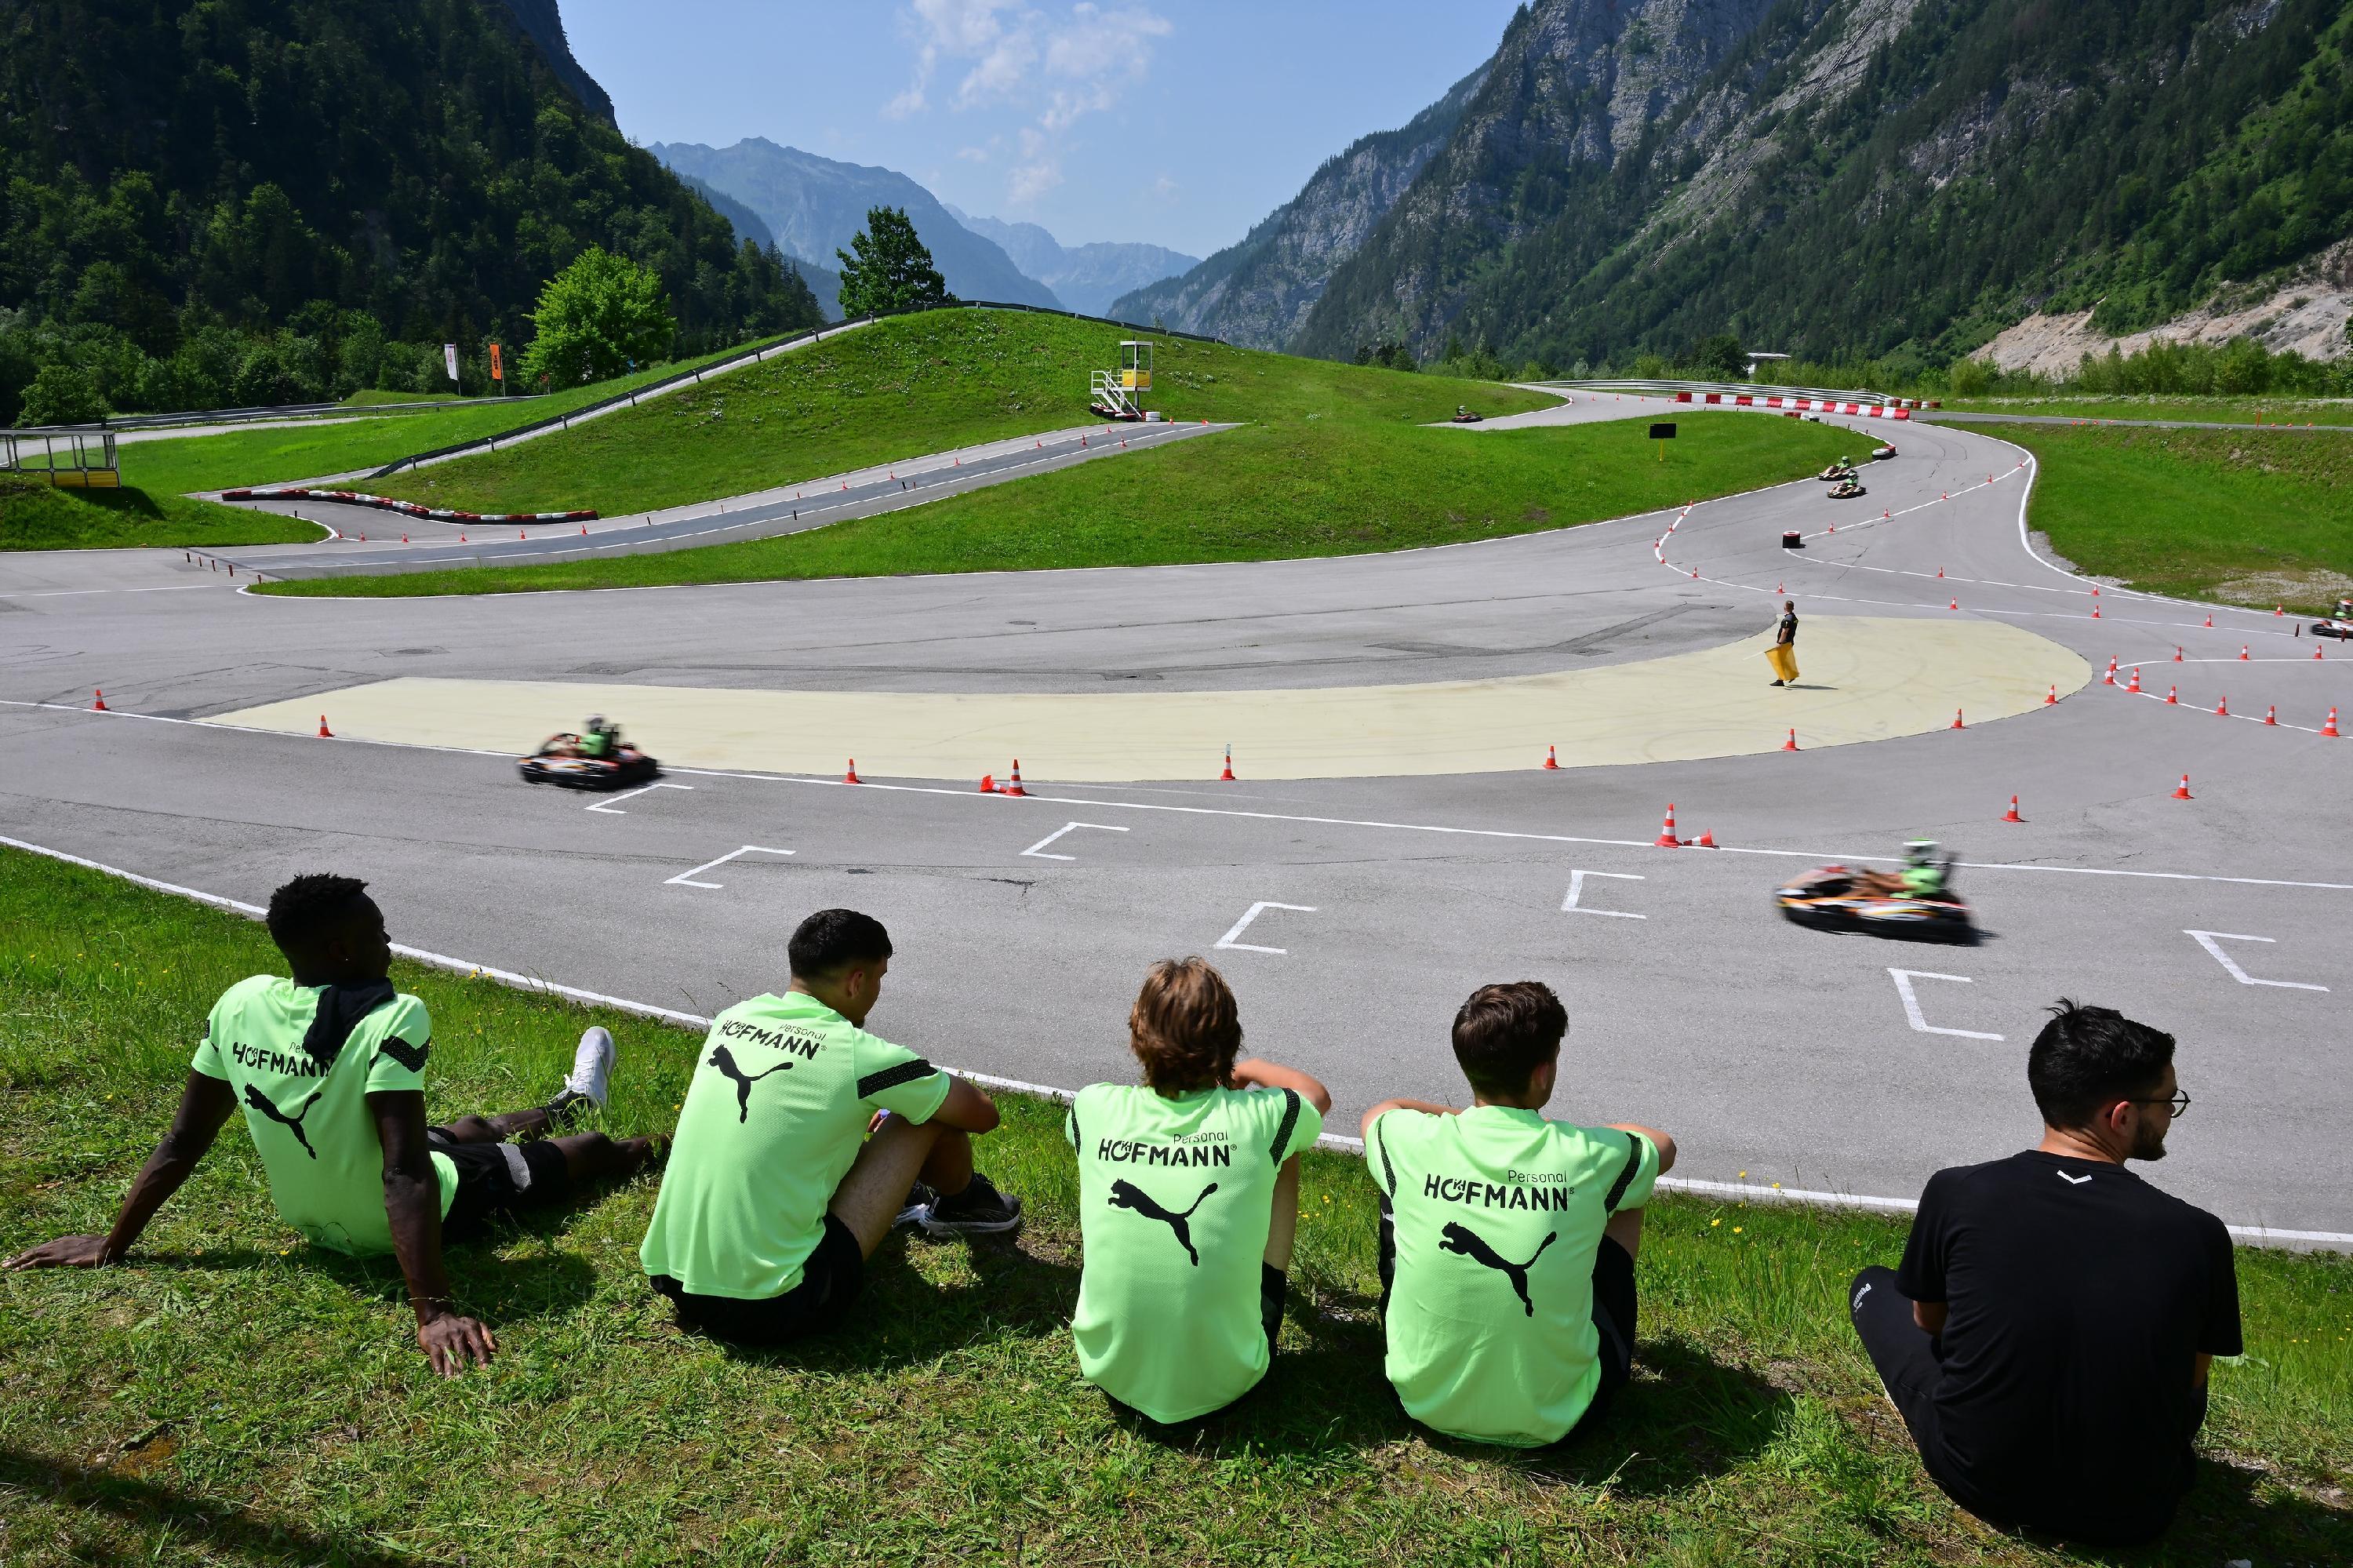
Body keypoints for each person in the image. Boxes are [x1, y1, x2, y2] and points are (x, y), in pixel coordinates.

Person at [3, 873, 657, 1377]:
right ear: (343, 949)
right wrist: (432, 1310)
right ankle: (634, 1134)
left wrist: (115, 1243)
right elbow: (402, 1173)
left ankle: (573, 1095)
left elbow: (183, 1140)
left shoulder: (240, 1003)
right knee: (590, 1151)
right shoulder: (392, 1017)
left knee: (467, 1124)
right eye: (380, 931)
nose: (390, 941)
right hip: (392, 1218)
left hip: (314, 1216)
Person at [1848, 1000, 2239, 1546]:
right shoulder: (2199, 1233)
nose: (2170, 1112)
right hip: (2137, 1507)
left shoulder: (1958, 1190)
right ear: (2122, 1116)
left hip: (1982, 1480)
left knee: (1872, 1282)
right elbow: (2191, 1382)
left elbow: (1929, 1322)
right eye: (2167, 1100)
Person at [640, 908, 1022, 1346]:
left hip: (675, 1280)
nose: (878, 991)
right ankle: (967, 1206)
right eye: (880, 978)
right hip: (773, 1306)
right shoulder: (860, 1054)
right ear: (857, 982)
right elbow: (982, 1114)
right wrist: (908, 1102)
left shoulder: (734, 1018)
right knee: (926, 1113)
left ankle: (932, 1199)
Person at [1362, 981, 1675, 1447]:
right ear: (1543, 1072)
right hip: (1561, 1420)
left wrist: (1464, 1117)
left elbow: (1381, 1111)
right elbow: (1662, 1145)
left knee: (1395, 1180)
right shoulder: (1585, 1155)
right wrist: (1556, 1133)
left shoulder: (1410, 1138)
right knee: (1626, 1190)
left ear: (1467, 1065)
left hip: (1420, 1401)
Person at [1066, 958, 1329, 1424]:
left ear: (1137, 1034)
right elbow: (1316, 1096)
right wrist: (1248, 1071)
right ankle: (1265, 1292)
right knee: (1285, 1148)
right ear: (1229, 1039)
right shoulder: (1261, 1117)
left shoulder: (1093, 1106)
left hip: (1108, 1366)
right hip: (1229, 1377)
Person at [1768, 599, 1800, 686]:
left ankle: (1780, 680)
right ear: (1793, 608)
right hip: (1790, 641)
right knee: (1783, 660)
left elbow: (1784, 632)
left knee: (1780, 661)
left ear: (1785, 608)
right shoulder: (1794, 618)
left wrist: (1780, 643)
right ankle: (1790, 674)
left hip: (1785, 643)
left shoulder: (1787, 619)